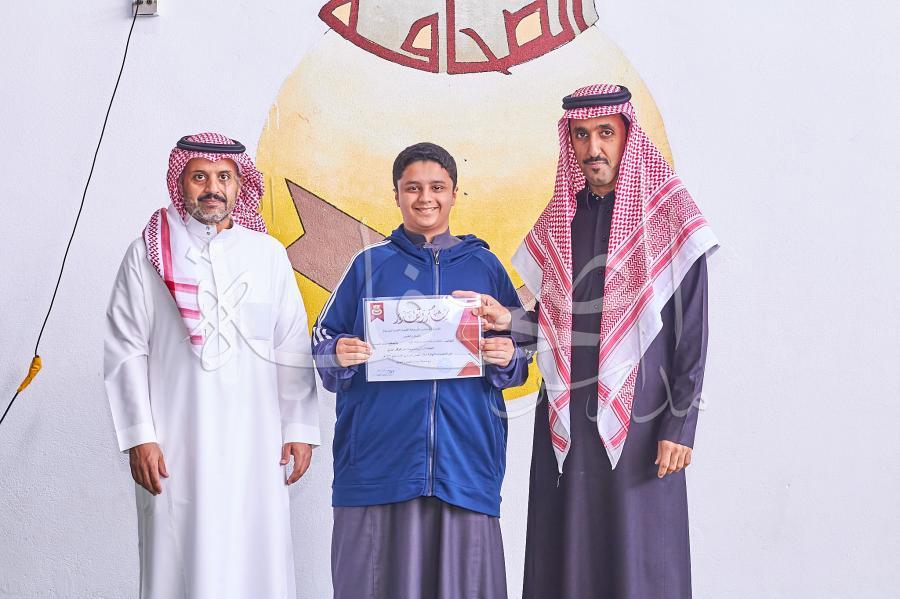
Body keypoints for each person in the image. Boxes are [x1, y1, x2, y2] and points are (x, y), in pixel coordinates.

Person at [511, 84, 719, 598]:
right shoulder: (560, 220)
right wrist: (499, 322)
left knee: (641, 554)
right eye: (581, 136)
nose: (593, 148)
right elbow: (545, 321)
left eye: (605, 132)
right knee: (565, 550)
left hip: (644, 420)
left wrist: (680, 425)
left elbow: (692, 333)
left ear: (628, 133)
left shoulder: (670, 218)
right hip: (565, 416)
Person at [104, 132, 321, 599]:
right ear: (180, 182)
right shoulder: (148, 253)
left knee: (257, 560)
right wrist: (139, 436)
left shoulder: (267, 254)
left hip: (257, 444)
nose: (212, 188)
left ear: (240, 186)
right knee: (180, 560)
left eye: (223, 177)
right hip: (176, 443)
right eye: (199, 177)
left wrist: (300, 427)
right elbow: (125, 348)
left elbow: (290, 345)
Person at [312, 142, 529, 599]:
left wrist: (507, 355)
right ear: (396, 194)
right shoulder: (369, 264)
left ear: (454, 194)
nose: (425, 198)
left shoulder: (485, 267)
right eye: (412, 188)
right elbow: (323, 342)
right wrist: (339, 352)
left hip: (465, 461)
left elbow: (521, 354)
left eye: (437, 187)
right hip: (377, 463)